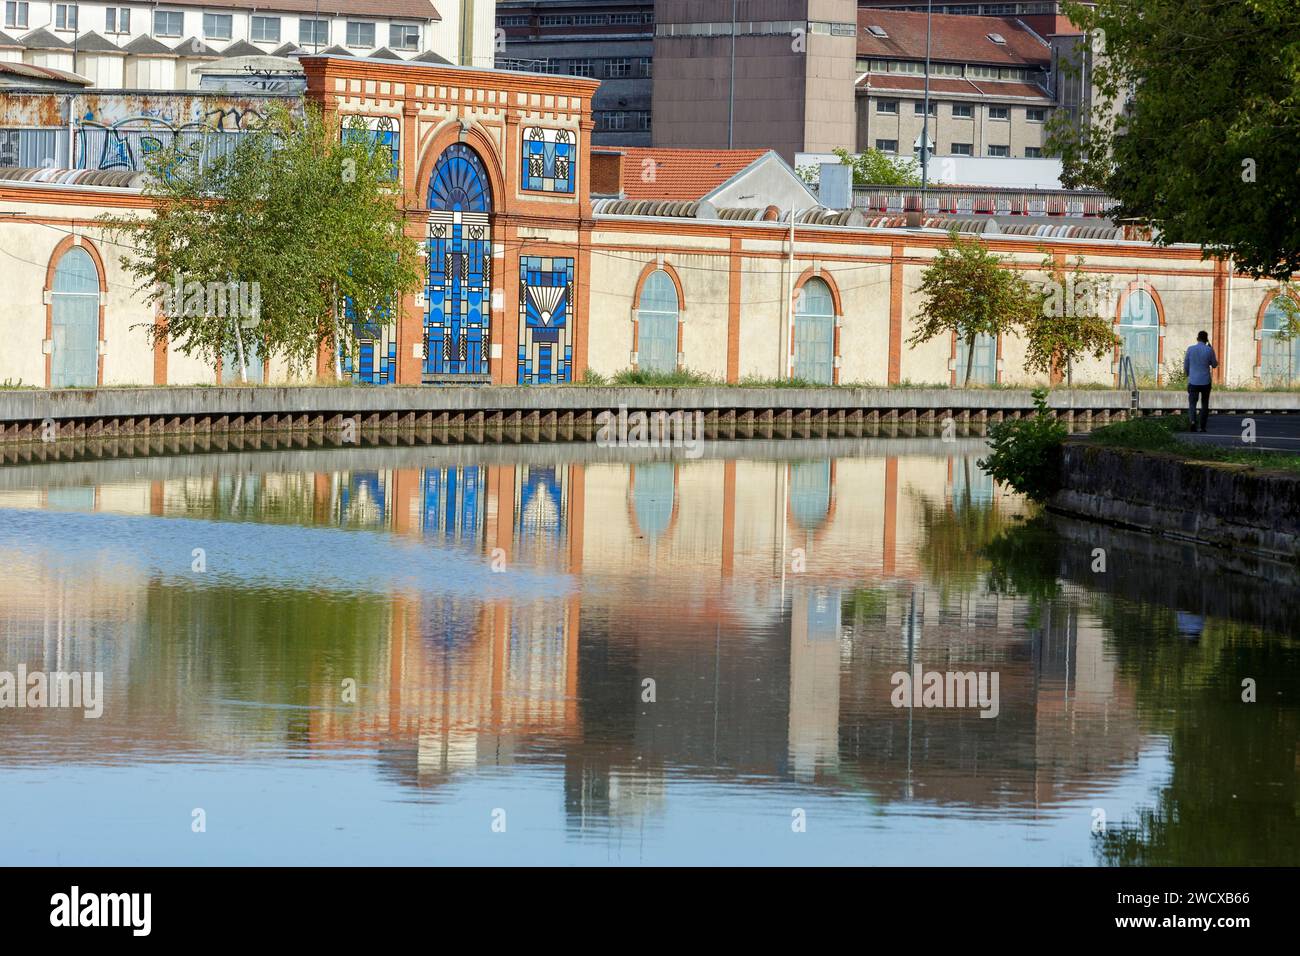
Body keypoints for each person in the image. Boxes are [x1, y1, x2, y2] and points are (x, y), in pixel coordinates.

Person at [1184, 330, 1219, 432]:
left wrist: (1188, 375)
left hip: (1193, 381)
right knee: (1204, 404)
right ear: (1206, 339)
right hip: (1205, 382)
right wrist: (1210, 347)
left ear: (1197, 338)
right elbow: (1214, 365)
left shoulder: (1190, 349)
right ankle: (1203, 426)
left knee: (1192, 404)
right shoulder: (1209, 350)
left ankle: (1193, 422)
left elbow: (1186, 365)